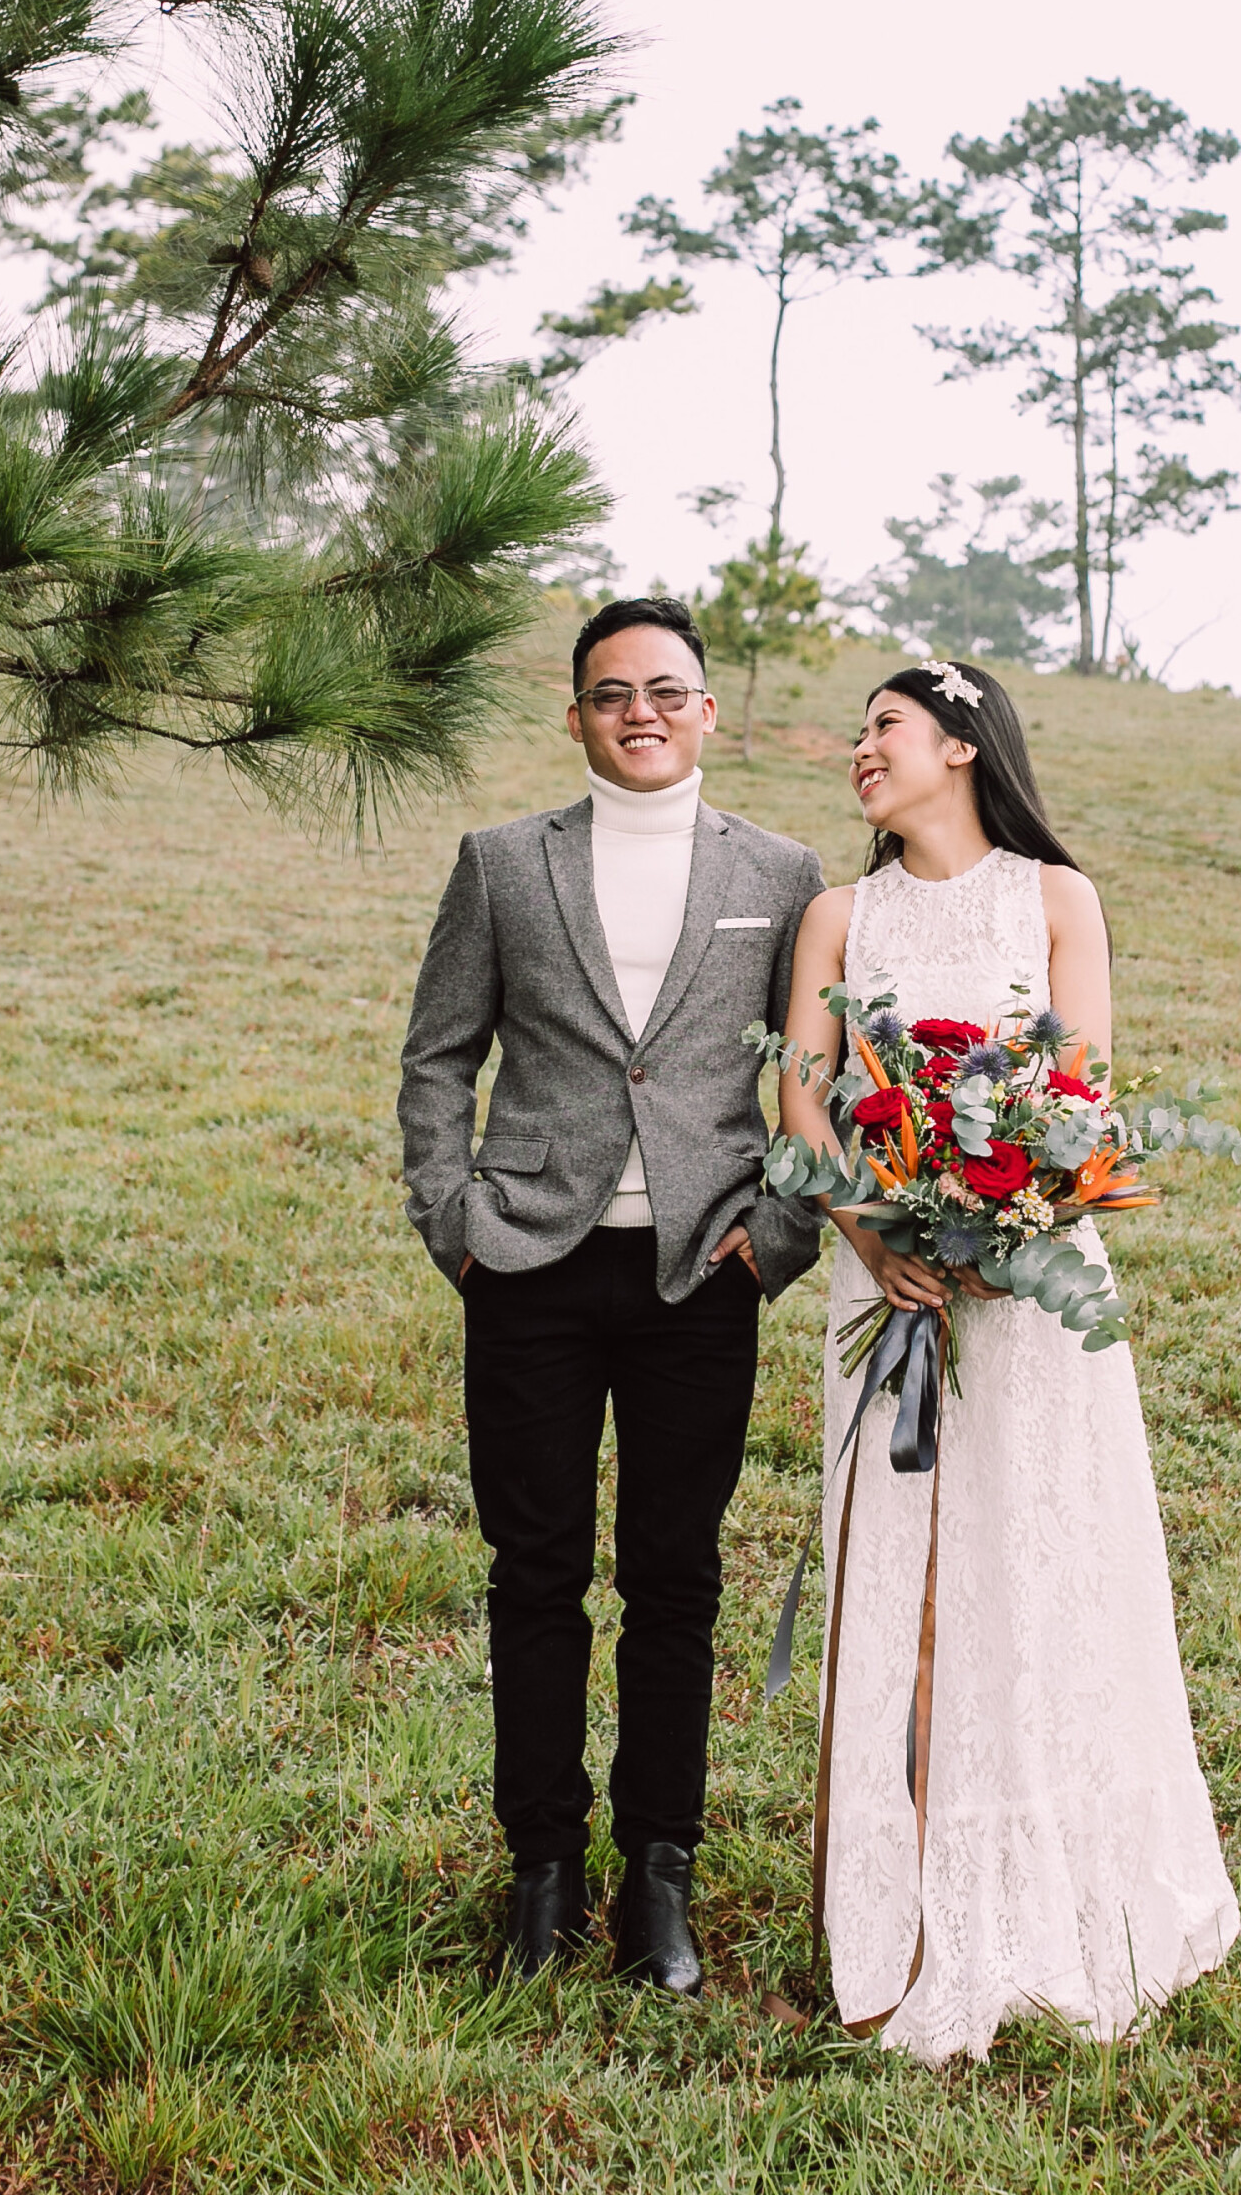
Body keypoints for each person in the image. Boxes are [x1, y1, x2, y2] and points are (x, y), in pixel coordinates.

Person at [769, 658, 1240, 2061]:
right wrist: (870, 1228)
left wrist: (998, 1216)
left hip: (1033, 1295)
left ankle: (1069, 1893)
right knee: (912, 1567)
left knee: (1040, 1565)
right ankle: (908, 1905)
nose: (862, 753)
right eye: (859, 737)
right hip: (889, 1289)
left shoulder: (1057, 898)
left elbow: (1077, 1087)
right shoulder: (838, 918)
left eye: (886, 730)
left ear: (963, 744)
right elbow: (801, 1095)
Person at [395, 596, 830, 1990]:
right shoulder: (502, 865)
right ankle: (544, 1868)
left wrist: (784, 1232)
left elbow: (814, 1081)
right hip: (525, 1265)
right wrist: (452, 1221)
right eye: (609, 693)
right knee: (535, 1575)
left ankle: (659, 1875)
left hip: (702, 1270)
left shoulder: (783, 870)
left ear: (708, 710)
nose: (638, 711)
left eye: (664, 689)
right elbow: (436, 1056)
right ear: (574, 715)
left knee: (675, 1580)